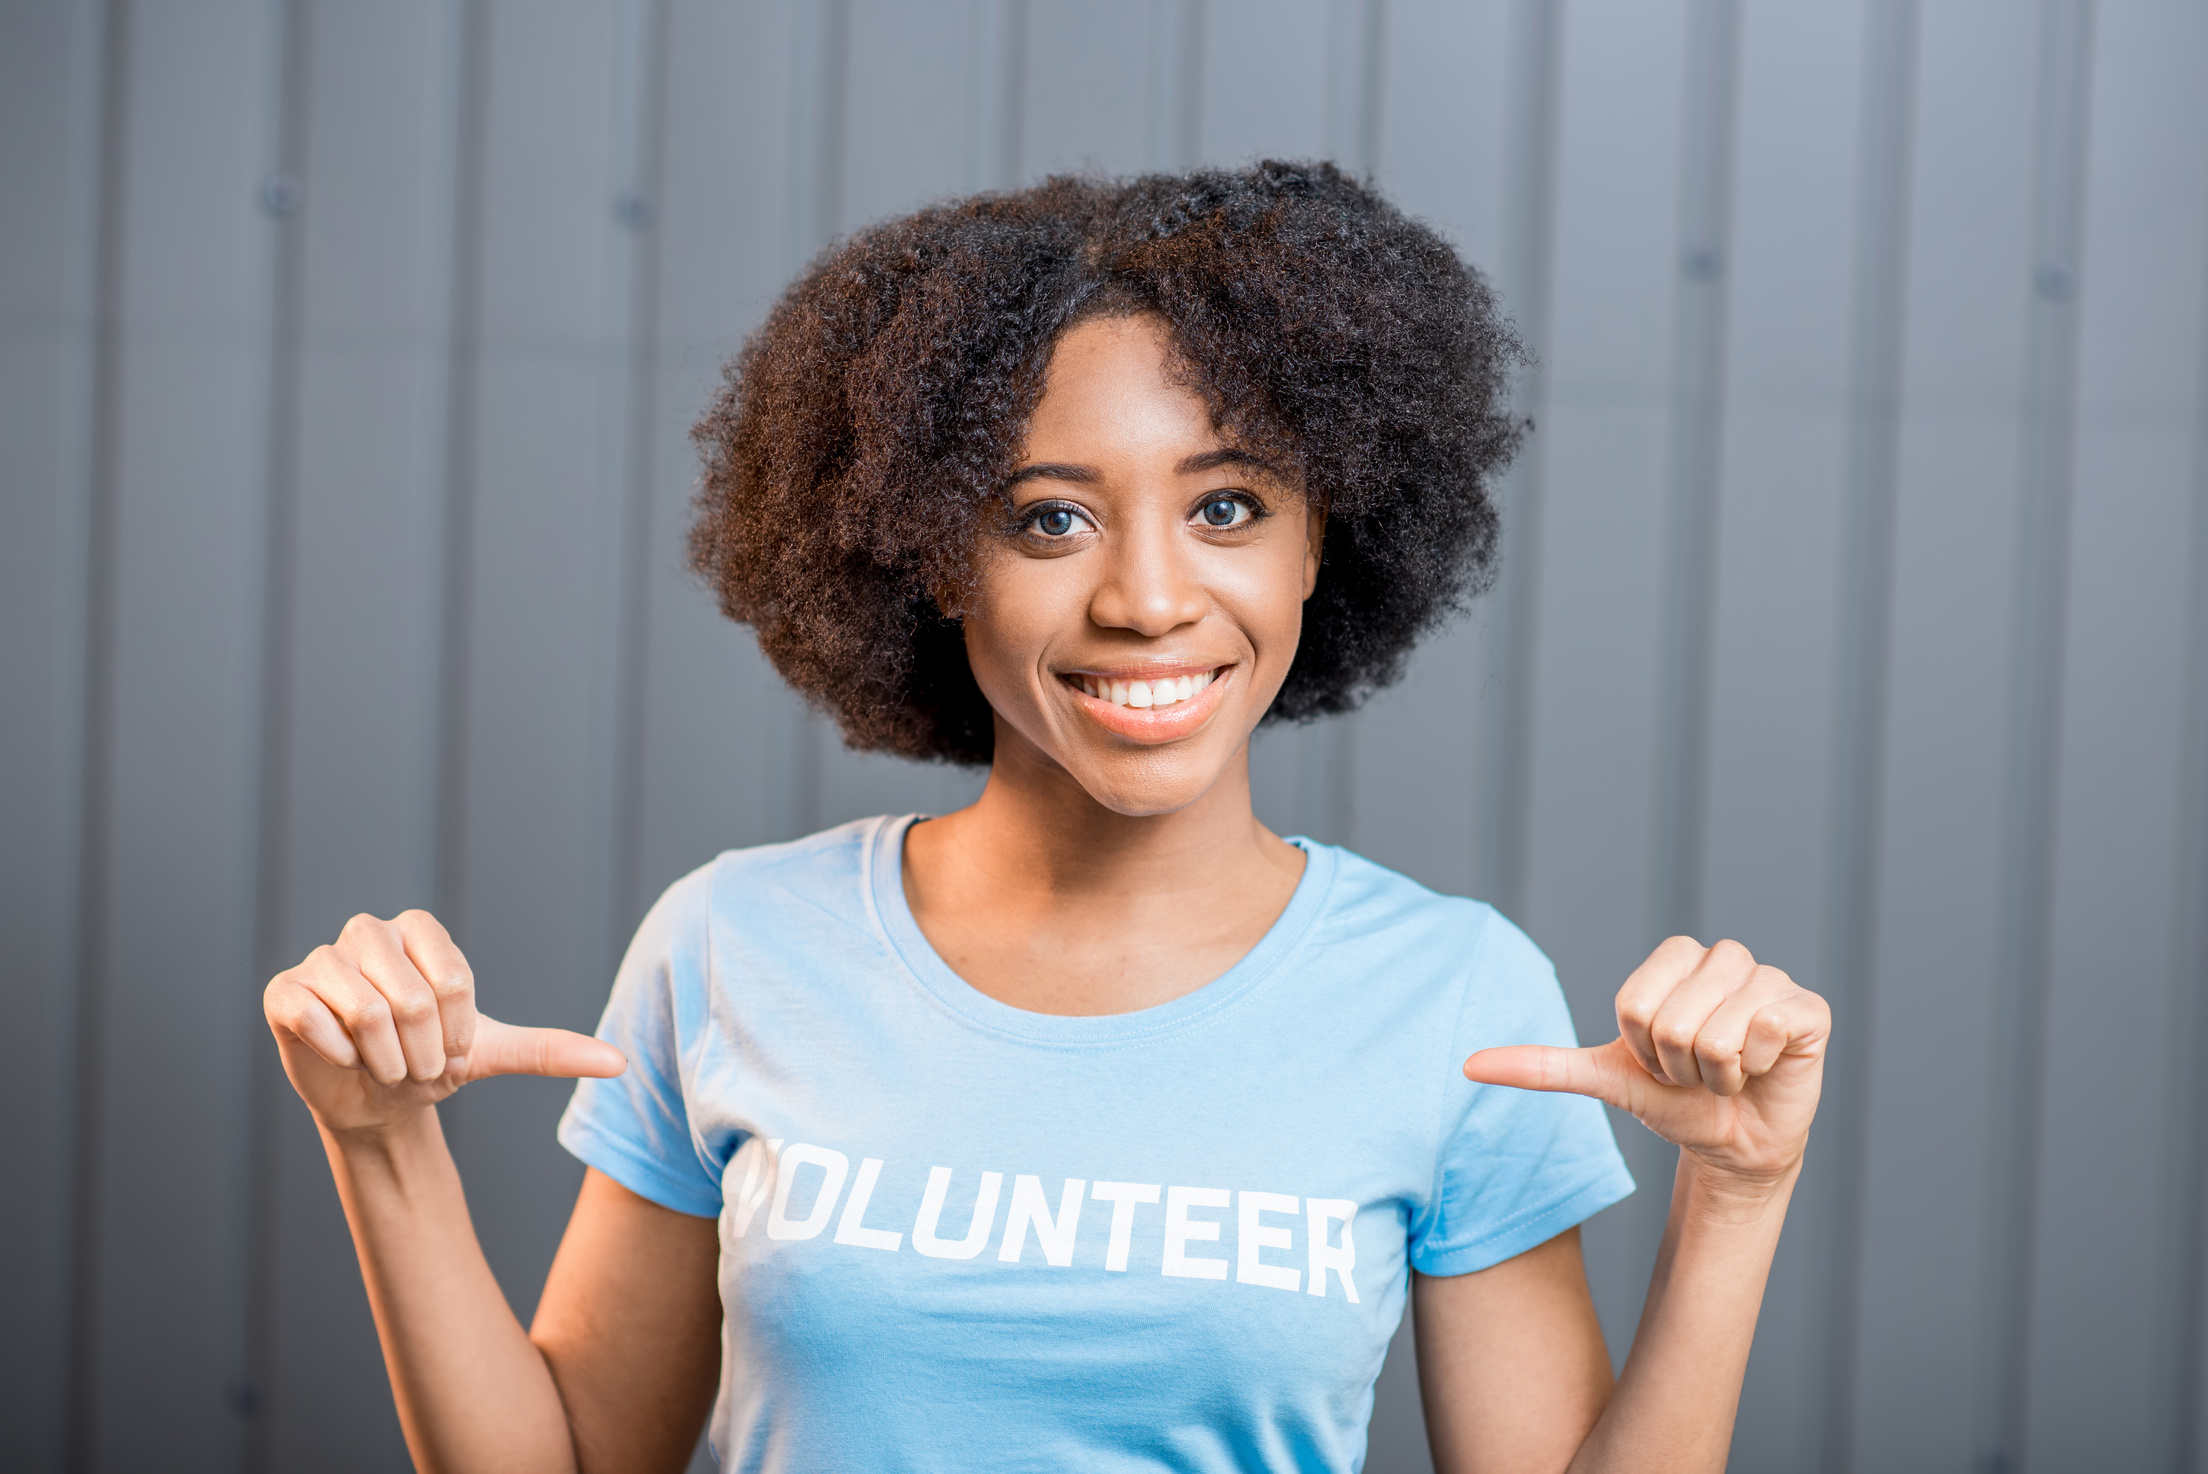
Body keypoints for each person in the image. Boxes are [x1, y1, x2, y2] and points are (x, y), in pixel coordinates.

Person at [264, 162, 1829, 1474]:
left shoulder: (1458, 998)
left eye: (1228, 505)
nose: (1149, 598)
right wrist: (381, 1139)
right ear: (935, 557)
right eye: (1051, 516)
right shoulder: (734, 942)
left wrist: (1738, 1199)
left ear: (1316, 544)